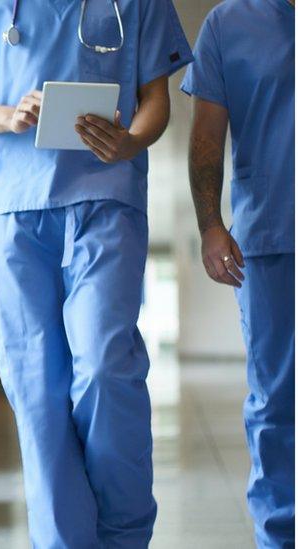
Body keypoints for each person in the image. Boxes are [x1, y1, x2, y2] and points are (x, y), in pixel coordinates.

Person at [0, 1, 191, 546]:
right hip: (12, 208)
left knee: (104, 364)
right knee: (36, 391)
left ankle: (123, 534)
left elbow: (155, 100)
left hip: (105, 197)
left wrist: (132, 140)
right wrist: (6, 115)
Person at [181, 1, 295, 546]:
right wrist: (210, 224)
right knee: (277, 402)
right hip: (274, 236)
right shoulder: (229, 23)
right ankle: (280, 535)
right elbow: (206, 133)